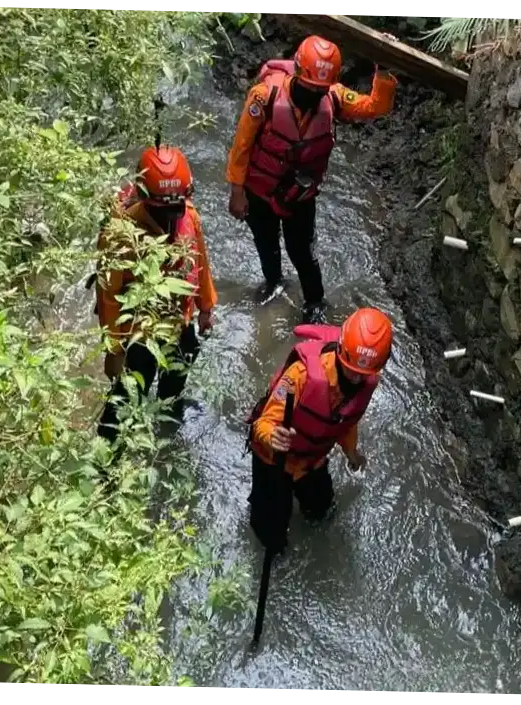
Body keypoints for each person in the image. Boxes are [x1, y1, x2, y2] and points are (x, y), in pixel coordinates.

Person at [226, 35, 398, 324]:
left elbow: (374, 107)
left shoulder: (333, 97)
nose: (314, 95)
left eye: (320, 90)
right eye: (309, 88)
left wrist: (383, 73)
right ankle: (273, 283)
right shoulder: (263, 97)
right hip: (259, 191)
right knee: (266, 244)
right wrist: (236, 191)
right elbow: (241, 146)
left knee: (303, 252)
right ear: (296, 73)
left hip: (300, 196)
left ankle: (315, 303)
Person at [245, 307, 393, 554]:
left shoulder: (366, 379)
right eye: (352, 370)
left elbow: (346, 421)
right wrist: (272, 436)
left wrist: (352, 454)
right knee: (270, 534)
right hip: (273, 458)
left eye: (362, 374)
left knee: (322, 511)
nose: (356, 378)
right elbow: (264, 422)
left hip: (310, 461)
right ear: (341, 351)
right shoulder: (300, 375)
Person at [94, 145, 216, 441]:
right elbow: (108, 298)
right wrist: (114, 352)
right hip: (138, 333)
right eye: (164, 210)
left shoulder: (188, 215)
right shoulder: (120, 234)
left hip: (178, 319)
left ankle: (168, 426)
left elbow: (200, 260)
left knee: (181, 366)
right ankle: (106, 462)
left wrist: (206, 308)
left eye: (177, 207)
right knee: (126, 398)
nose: (173, 216)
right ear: (146, 199)